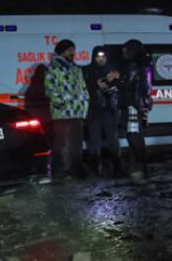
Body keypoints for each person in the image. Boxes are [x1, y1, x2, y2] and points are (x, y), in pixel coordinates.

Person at [44, 39, 89, 180]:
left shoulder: (76, 68)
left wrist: (85, 104)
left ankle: (76, 168)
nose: (72, 52)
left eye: (73, 50)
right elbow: (50, 89)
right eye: (69, 50)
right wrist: (62, 104)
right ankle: (59, 170)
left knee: (76, 144)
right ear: (62, 51)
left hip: (77, 112)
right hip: (62, 113)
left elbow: (83, 88)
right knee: (61, 143)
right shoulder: (53, 68)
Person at [116, 39, 153, 179]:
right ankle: (137, 167)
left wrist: (118, 78)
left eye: (126, 50)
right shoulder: (145, 64)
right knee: (136, 135)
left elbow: (127, 84)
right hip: (139, 105)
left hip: (132, 105)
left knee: (133, 135)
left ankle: (140, 166)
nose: (124, 52)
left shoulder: (133, 65)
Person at [83, 47, 123, 176]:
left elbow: (120, 87)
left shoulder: (113, 70)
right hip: (93, 110)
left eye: (103, 57)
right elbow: (86, 87)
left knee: (113, 139)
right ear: (94, 57)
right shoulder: (88, 71)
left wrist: (118, 79)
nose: (101, 59)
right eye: (98, 57)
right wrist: (98, 84)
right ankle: (95, 168)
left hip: (109, 110)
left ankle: (117, 167)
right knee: (94, 140)